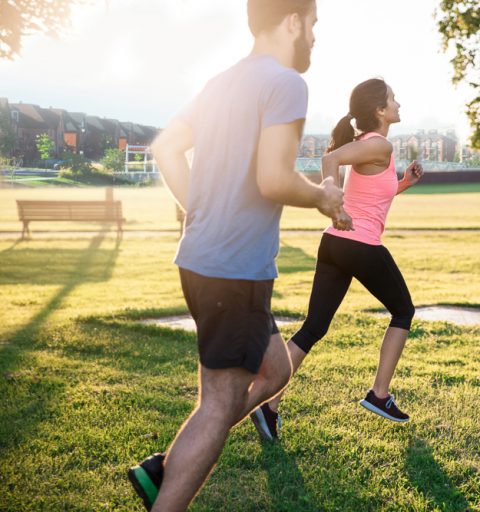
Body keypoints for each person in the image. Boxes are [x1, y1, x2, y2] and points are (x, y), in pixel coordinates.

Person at [127, 1, 345, 510]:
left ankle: (165, 468)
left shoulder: (220, 83)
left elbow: (166, 149)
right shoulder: (287, 82)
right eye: (313, 24)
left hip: (201, 263)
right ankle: (170, 486)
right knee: (219, 402)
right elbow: (274, 177)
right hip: (234, 273)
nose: (315, 37)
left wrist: (202, 212)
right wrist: (322, 196)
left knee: (276, 371)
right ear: (293, 21)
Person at [250, 78, 424, 441]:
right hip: (359, 244)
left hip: (335, 245)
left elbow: (373, 197)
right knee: (403, 311)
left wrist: (404, 183)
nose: (398, 104)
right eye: (393, 99)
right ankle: (379, 394)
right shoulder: (379, 143)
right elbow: (330, 159)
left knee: (314, 327)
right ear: (380, 110)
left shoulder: (371, 146)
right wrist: (332, 202)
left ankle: (268, 406)